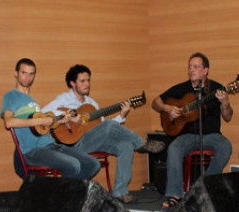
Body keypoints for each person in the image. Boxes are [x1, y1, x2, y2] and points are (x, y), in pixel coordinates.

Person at [42, 64, 166, 203]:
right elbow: (44, 112)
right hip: (73, 145)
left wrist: (121, 115)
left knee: (125, 145)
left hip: (92, 142)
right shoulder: (63, 99)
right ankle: (141, 143)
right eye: (82, 81)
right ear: (72, 83)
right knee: (109, 126)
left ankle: (120, 192)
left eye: (88, 80)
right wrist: (71, 116)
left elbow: (103, 127)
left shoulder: (91, 104)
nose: (87, 84)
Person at [151, 52, 233, 209]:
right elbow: (156, 102)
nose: (191, 70)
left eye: (196, 67)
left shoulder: (216, 88)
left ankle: (205, 188)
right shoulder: (182, 88)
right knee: (174, 148)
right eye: (190, 67)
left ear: (206, 70)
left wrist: (225, 103)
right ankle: (175, 194)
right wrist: (168, 109)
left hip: (212, 135)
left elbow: (228, 117)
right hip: (188, 136)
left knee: (226, 146)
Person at [1, 58, 100, 180]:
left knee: (93, 164)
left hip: (50, 145)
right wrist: (41, 121)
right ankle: (62, 192)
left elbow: (41, 127)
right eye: (24, 73)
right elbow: (9, 122)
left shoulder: (31, 101)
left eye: (31, 74)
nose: (27, 77)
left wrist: (58, 121)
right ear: (16, 74)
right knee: (73, 165)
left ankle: (69, 191)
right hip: (33, 151)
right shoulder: (11, 96)